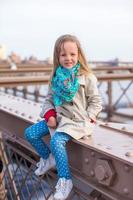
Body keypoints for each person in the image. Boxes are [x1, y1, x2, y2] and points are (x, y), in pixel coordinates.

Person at [24, 34, 102, 200]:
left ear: (78, 55)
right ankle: (48, 158)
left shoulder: (87, 78)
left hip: (77, 122)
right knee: (30, 133)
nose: (68, 58)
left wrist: (89, 118)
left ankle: (65, 181)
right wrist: (50, 114)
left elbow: (96, 102)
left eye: (72, 54)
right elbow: (48, 101)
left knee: (57, 140)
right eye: (63, 55)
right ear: (57, 57)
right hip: (60, 119)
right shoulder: (55, 78)